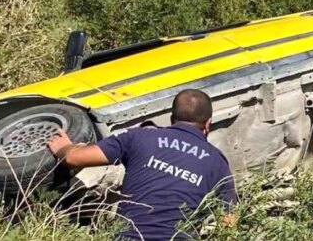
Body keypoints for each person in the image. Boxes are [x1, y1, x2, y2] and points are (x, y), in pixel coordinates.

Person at [47, 89, 237, 240]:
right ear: (208, 123)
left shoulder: (140, 137)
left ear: (172, 119)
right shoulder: (217, 163)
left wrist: (64, 147)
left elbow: (74, 159)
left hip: (128, 237)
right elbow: (229, 224)